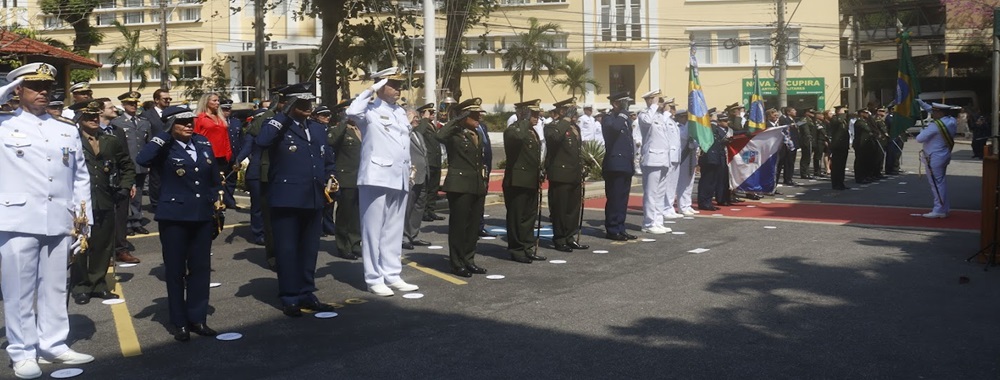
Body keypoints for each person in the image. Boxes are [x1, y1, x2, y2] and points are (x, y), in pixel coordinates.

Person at [0, 63, 95, 379]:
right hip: (17, 220)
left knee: (55, 286)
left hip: (60, 220)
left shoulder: (65, 129)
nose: (43, 92)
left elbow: (80, 175)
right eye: (34, 86)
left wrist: (83, 219)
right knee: (19, 291)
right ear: (18, 90)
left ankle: (53, 344)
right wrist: (7, 89)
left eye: (47, 87)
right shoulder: (3, 124)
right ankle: (23, 351)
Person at [136, 106, 220, 342]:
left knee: (200, 268)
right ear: (170, 125)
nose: (188, 126)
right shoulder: (164, 146)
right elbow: (142, 159)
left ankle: (198, 318)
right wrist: (164, 133)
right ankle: (180, 321)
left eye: (190, 121)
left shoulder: (202, 144)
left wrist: (216, 200)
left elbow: (213, 177)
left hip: (201, 214)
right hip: (174, 216)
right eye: (181, 122)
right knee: (175, 270)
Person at [256, 84, 339, 315]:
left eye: (309, 102)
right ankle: (290, 295)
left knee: (309, 249)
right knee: (287, 249)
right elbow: (262, 142)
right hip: (286, 197)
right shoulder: (278, 126)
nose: (307, 106)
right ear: (290, 104)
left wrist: (331, 177)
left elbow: (327, 159)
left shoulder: (317, 128)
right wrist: (283, 113)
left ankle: (306, 292)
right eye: (301, 103)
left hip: (313, 196)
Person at [346, 67, 420, 296]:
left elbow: (400, 142)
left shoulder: (399, 112)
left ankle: (392, 273)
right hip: (376, 176)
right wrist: (372, 88)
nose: (398, 89)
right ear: (381, 85)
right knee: (373, 230)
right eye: (393, 84)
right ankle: (373, 277)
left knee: (393, 230)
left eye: (399, 85)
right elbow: (351, 110)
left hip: (399, 176)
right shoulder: (369, 109)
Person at [69, 100, 136, 305]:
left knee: (103, 244)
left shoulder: (110, 140)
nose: (94, 120)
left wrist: (124, 187)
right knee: (81, 245)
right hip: (80, 202)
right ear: (79, 119)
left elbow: (127, 165)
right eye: (89, 117)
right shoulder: (72, 141)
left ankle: (98, 283)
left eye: (96, 116)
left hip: (106, 198)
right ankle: (81, 286)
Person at [437, 98, 490, 277]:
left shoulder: (477, 133)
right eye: (473, 114)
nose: (478, 118)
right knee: (459, 226)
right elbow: (439, 136)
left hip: (476, 184)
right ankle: (457, 263)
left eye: (478, 114)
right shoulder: (454, 133)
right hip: (459, 185)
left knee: (473, 225)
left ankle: (469, 260)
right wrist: (456, 119)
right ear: (464, 115)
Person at [97, 97, 140, 264]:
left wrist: (131, 182)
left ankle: (121, 249)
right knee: (103, 219)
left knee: (121, 216)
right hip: (101, 182)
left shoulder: (118, 131)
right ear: (100, 111)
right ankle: (104, 254)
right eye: (110, 107)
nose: (115, 110)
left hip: (120, 180)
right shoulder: (91, 130)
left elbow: (126, 159)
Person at [545, 98, 591, 253]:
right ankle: (560, 239)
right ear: (563, 111)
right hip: (560, 175)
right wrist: (564, 119)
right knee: (560, 209)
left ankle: (570, 237)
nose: (575, 113)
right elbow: (555, 138)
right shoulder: (552, 126)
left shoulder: (574, 127)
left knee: (573, 209)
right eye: (572, 110)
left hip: (574, 174)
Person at [504, 99, 545, 262]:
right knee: (517, 217)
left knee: (529, 217)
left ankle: (528, 246)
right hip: (517, 181)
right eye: (532, 114)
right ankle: (516, 249)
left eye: (536, 114)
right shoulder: (513, 130)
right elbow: (518, 138)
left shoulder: (532, 131)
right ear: (522, 114)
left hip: (530, 180)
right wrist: (522, 119)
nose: (536, 117)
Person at [111, 91, 152, 236]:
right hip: (126, 164)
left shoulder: (144, 122)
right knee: (126, 195)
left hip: (140, 164)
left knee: (138, 194)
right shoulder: (117, 122)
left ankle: (136, 220)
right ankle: (126, 222)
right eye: (130, 103)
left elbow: (148, 144)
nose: (133, 106)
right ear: (123, 105)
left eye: (135, 103)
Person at [326, 100, 362, 260]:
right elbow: (331, 141)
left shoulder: (360, 129)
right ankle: (343, 245)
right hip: (346, 176)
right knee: (345, 214)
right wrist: (344, 121)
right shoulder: (339, 130)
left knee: (357, 214)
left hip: (362, 177)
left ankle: (355, 243)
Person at [637, 90, 677, 235]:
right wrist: (654, 105)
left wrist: (664, 107)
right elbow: (647, 121)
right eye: (657, 99)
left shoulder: (660, 117)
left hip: (664, 159)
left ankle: (658, 221)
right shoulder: (644, 115)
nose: (660, 102)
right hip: (652, 159)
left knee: (660, 193)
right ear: (650, 100)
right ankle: (648, 223)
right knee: (651, 193)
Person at [602, 92, 637, 241]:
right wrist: (622, 113)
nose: (626, 106)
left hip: (625, 164)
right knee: (615, 198)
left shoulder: (625, 120)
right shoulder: (608, 119)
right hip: (614, 164)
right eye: (623, 103)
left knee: (623, 199)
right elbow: (614, 130)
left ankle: (621, 227)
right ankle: (612, 229)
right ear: (616, 104)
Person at [915, 101, 958, 218]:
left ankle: (938, 209)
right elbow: (931, 110)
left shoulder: (936, 125)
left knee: (936, 184)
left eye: (934, 112)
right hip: (943, 155)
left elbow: (919, 138)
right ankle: (944, 208)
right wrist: (921, 103)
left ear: (940, 112)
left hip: (934, 157)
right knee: (941, 182)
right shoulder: (951, 121)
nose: (932, 113)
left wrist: (922, 131)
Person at [403, 103, 434, 250]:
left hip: (422, 175)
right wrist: (406, 123)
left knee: (418, 207)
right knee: (407, 207)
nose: (417, 120)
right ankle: (402, 237)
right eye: (415, 117)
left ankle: (413, 235)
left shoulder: (418, 134)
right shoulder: (404, 133)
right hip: (411, 177)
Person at [194, 93, 233, 193]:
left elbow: (226, 137)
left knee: (220, 183)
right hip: (206, 155)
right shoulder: (199, 118)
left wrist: (228, 153)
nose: (217, 103)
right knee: (206, 183)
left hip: (222, 156)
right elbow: (195, 137)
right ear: (206, 102)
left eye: (218, 100)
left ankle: (218, 204)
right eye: (214, 100)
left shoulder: (220, 117)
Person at [141, 89, 172, 211]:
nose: (168, 101)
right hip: (155, 151)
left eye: (169, 99)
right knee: (156, 180)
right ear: (156, 100)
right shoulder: (147, 115)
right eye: (165, 99)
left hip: (170, 150)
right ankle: (156, 203)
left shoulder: (171, 113)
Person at [310, 105, 336, 236]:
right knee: (319, 200)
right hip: (318, 166)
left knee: (329, 199)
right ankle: (318, 226)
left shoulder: (329, 129)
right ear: (315, 116)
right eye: (323, 115)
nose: (327, 118)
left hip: (329, 165)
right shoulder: (313, 128)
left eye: (328, 115)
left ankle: (328, 225)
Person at [698, 113, 732, 210]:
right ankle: (704, 202)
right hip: (708, 158)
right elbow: (710, 136)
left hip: (714, 158)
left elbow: (716, 141)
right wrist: (712, 121)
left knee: (712, 182)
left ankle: (708, 202)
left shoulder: (714, 128)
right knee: (707, 182)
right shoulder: (707, 127)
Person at [674, 109, 699, 215]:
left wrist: (695, 144)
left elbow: (695, 140)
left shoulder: (689, 127)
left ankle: (687, 205)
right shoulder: (677, 127)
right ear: (679, 117)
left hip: (691, 157)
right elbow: (684, 136)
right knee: (683, 183)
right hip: (683, 158)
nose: (686, 119)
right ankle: (682, 206)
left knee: (690, 183)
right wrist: (690, 122)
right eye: (684, 117)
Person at [222, 99, 244, 209]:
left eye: (229, 109)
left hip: (234, 155)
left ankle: (229, 200)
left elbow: (241, 139)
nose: (227, 111)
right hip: (222, 155)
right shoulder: (217, 122)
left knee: (232, 180)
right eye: (225, 109)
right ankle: (225, 201)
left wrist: (241, 157)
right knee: (222, 179)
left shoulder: (236, 121)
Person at [828, 106, 851, 190]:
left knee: (842, 166)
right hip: (837, 145)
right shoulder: (835, 118)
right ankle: (836, 183)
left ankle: (841, 183)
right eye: (843, 110)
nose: (845, 112)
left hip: (843, 145)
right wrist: (841, 114)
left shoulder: (844, 120)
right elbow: (837, 122)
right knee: (836, 166)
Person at [776, 107, 799, 186]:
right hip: (788, 143)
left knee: (791, 162)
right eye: (793, 110)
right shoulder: (785, 120)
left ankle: (789, 177)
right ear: (788, 112)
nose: (795, 111)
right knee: (787, 162)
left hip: (793, 143)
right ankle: (787, 178)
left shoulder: (793, 119)